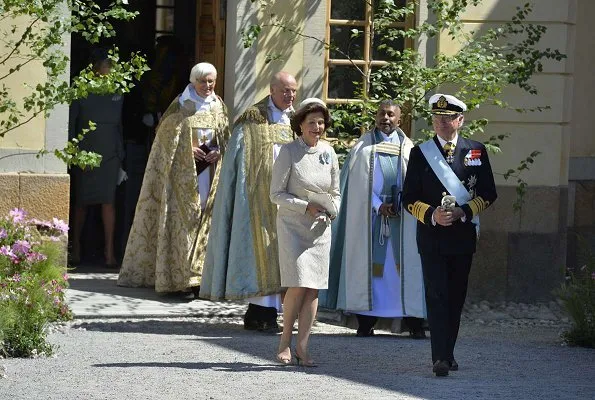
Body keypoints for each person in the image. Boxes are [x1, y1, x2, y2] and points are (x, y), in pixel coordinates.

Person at [402, 93, 497, 377]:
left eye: (447, 118)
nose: (441, 123)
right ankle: (439, 358)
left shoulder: (476, 151)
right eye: (436, 118)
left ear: (460, 120)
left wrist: (463, 211)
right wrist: (432, 214)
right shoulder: (420, 153)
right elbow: (408, 197)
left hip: (462, 236)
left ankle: (449, 351)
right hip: (431, 237)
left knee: (455, 296)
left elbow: (489, 193)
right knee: (437, 295)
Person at [117, 62, 230, 294]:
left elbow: (226, 136)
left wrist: (221, 150)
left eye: (211, 81)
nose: (207, 86)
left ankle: (202, 280)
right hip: (183, 177)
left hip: (210, 174)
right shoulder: (181, 106)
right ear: (192, 81)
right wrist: (188, 150)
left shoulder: (218, 106)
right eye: (202, 81)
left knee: (206, 224)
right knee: (184, 224)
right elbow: (163, 139)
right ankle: (180, 280)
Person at [199, 71, 298, 332]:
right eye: (285, 90)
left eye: (293, 91)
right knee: (260, 257)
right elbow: (238, 164)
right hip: (256, 201)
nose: (290, 96)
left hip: (288, 201)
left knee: (281, 258)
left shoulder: (296, 121)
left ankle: (269, 314)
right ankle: (258, 313)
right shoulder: (252, 121)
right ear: (272, 90)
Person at [320, 100, 426, 338]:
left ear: (400, 119)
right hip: (370, 219)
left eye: (390, 114)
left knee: (405, 270)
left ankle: (413, 322)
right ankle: (366, 322)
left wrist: (401, 204)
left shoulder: (409, 149)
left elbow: (417, 184)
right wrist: (378, 206)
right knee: (370, 271)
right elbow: (356, 188)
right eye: (381, 114)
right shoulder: (363, 148)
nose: (385, 118)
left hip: (403, 219)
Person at [270, 98, 341, 366]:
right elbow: (275, 194)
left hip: (320, 228)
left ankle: (303, 347)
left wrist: (331, 210)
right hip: (293, 226)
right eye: (312, 122)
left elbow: (335, 191)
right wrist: (305, 206)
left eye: (321, 122)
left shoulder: (329, 152)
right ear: (300, 125)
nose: (317, 127)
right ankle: (283, 343)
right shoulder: (288, 152)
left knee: (312, 289)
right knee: (298, 283)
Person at [69, 48, 124, 267]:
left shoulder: (119, 91)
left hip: (110, 154)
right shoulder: (81, 90)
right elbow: (71, 124)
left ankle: (109, 252)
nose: (111, 70)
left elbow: (120, 124)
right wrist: (76, 153)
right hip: (86, 153)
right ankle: (75, 248)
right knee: (81, 203)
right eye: (107, 65)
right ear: (95, 67)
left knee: (108, 202)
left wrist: (121, 153)